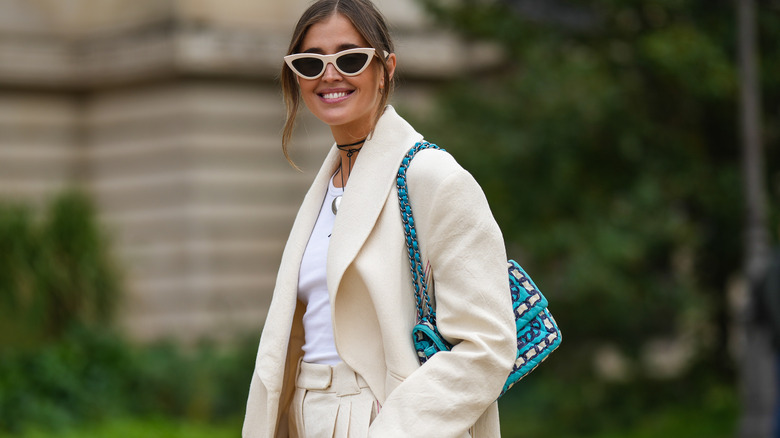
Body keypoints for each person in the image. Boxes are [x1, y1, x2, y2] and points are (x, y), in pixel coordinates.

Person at [242, 1, 516, 436]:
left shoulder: (433, 178)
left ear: (385, 67)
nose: (329, 75)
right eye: (311, 63)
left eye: (350, 58)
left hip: (384, 419)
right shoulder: (325, 187)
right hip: (304, 415)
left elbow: (488, 346)